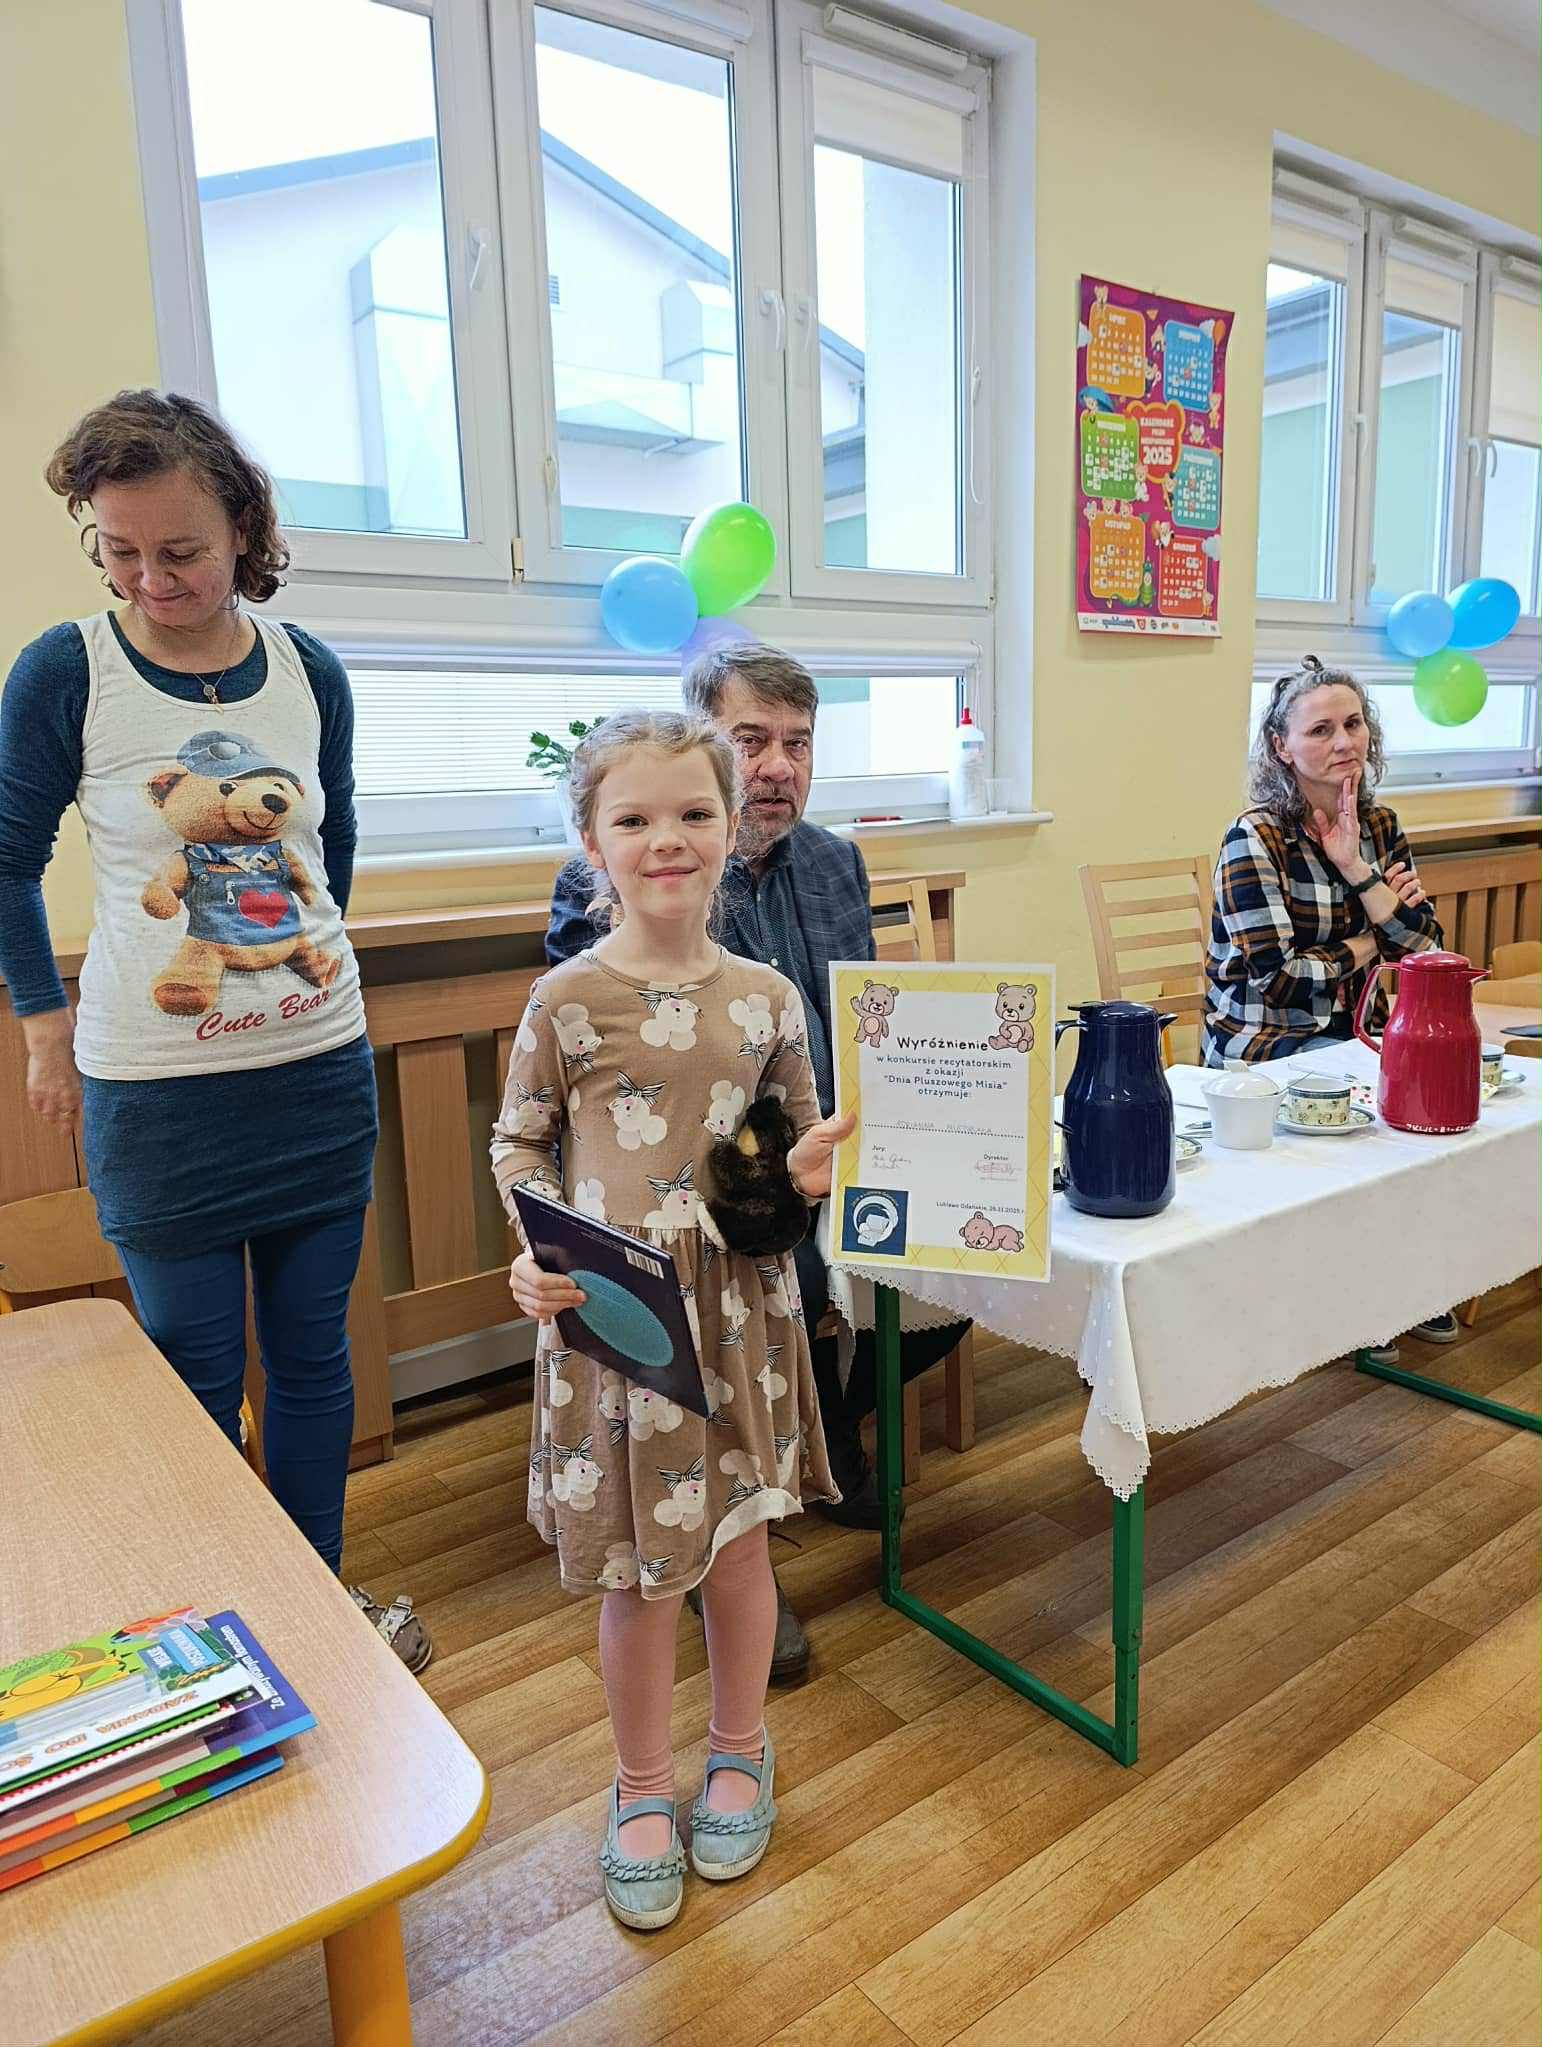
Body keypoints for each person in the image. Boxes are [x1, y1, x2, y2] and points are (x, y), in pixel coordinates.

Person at [0, 389, 428, 1669]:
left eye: (180, 549)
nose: (151, 577)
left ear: (243, 526)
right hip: (158, 1098)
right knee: (189, 1373)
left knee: (310, 1363)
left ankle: (315, 1610)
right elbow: (6, 859)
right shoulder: (67, 670)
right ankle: (213, 1630)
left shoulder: (309, 672)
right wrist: (41, 1024)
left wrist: (298, 970)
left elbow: (331, 841)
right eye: (120, 548)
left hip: (315, 1078)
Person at [492, 708, 852, 1930]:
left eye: (694, 812)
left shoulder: (768, 999)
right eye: (635, 818)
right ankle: (641, 1779)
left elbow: (788, 1145)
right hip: (617, 1322)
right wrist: (537, 1254)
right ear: (592, 839)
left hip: (739, 1313)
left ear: (729, 824)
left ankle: (740, 1747)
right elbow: (521, 1142)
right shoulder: (566, 999)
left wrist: (804, 1176)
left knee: (739, 1549)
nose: (668, 839)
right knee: (641, 1574)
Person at [546, 645, 970, 1679]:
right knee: (787, 1287)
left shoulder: (836, 862)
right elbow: (597, 1079)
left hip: (825, 1144)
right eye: (752, 741)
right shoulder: (654, 865)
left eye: (798, 744)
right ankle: (727, 1539)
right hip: (698, 1184)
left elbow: (857, 1021)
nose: (779, 765)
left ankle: (831, 1432)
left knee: (962, 1260)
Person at [1205, 653, 1455, 1360]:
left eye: (1353, 724)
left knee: (1441, 1093)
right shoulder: (1254, 838)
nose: (1343, 742)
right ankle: (1356, 1303)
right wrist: (1372, 936)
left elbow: (1425, 951)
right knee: (1372, 1107)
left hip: (1361, 1032)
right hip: (1266, 1043)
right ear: (1281, 746)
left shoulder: (1379, 825)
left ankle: (1401, 1280)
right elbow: (1278, 980)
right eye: (1320, 730)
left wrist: (1355, 868)